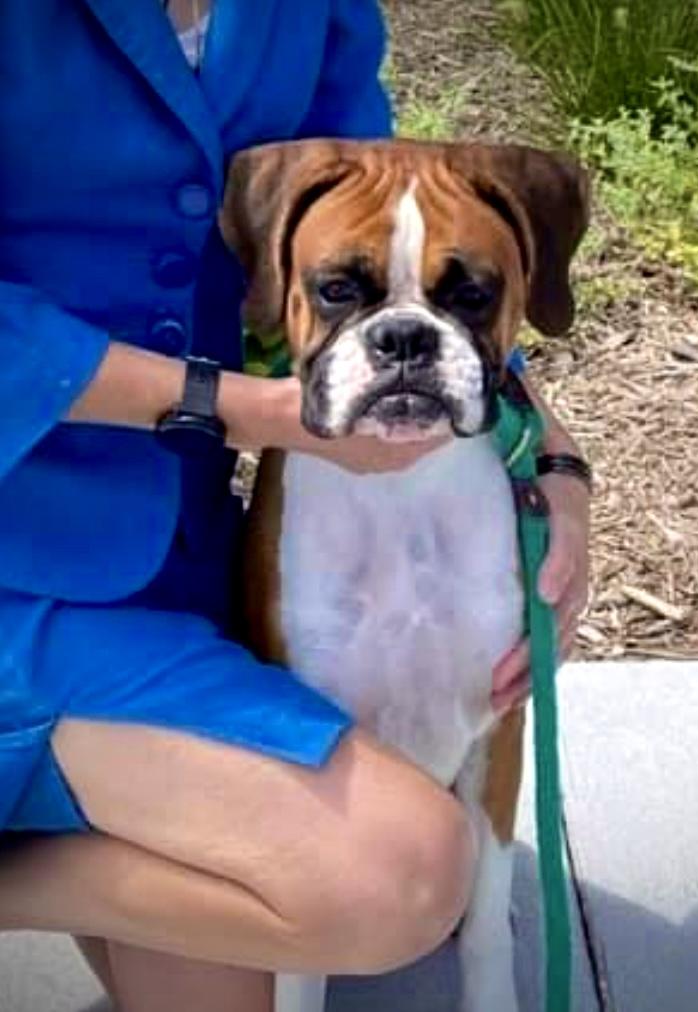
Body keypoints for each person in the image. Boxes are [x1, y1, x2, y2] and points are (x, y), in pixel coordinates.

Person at [0, 1, 591, 1010]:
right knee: (396, 875)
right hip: (18, 562)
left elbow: (390, 218)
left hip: (179, 571)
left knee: (266, 952)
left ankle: (75, 825)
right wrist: (243, 407)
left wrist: (557, 461)